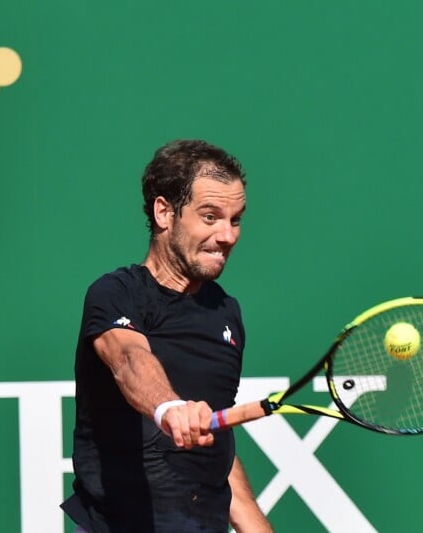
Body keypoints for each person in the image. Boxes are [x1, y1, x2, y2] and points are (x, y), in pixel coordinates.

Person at [61, 139, 272, 532]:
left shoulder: (226, 314)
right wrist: (169, 408)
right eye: (210, 217)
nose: (228, 235)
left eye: (236, 219)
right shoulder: (116, 294)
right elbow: (128, 361)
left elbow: (216, 450)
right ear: (164, 213)